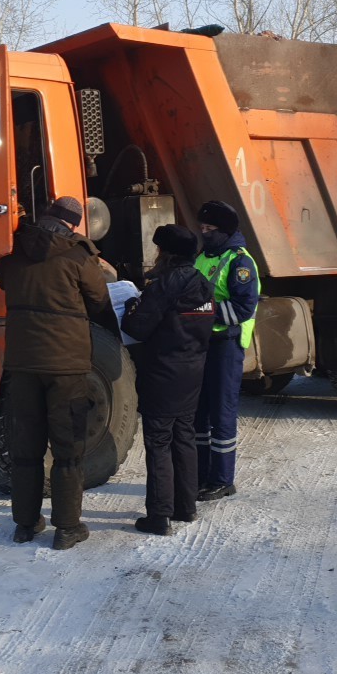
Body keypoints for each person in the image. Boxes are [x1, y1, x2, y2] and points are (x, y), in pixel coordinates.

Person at [0, 195, 114, 550]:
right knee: (67, 449)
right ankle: (67, 528)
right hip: (66, 367)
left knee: (25, 448)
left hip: (23, 365)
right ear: (72, 225)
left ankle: (25, 525)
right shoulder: (79, 257)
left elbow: (1, 278)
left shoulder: (14, 254)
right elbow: (99, 301)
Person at [119, 224, 214, 535]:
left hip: (163, 372)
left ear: (168, 253)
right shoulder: (202, 283)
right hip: (193, 371)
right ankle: (185, 508)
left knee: (159, 441)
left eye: (159, 249)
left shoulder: (165, 284)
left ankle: (159, 516)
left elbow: (138, 328)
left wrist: (130, 309)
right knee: (184, 436)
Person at [192, 200, 260, 500]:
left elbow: (244, 307)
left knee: (221, 412)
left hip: (226, 343)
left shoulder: (240, 262)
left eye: (210, 229)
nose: (204, 233)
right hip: (203, 343)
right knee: (199, 413)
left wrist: (203, 311)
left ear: (225, 230)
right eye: (202, 228)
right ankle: (199, 475)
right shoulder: (204, 256)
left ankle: (222, 479)